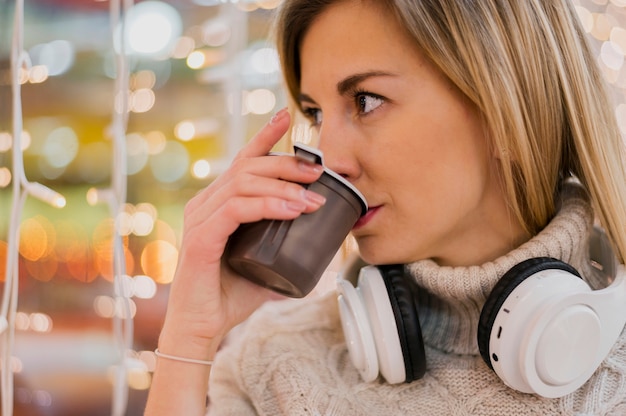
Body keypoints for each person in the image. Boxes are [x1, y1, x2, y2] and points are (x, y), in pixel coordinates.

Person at [144, 0, 626, 414]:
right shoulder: (273, 365)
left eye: (367, 101)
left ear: (507, 109)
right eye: (314, 114)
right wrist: (190, 336)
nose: (328, 160)